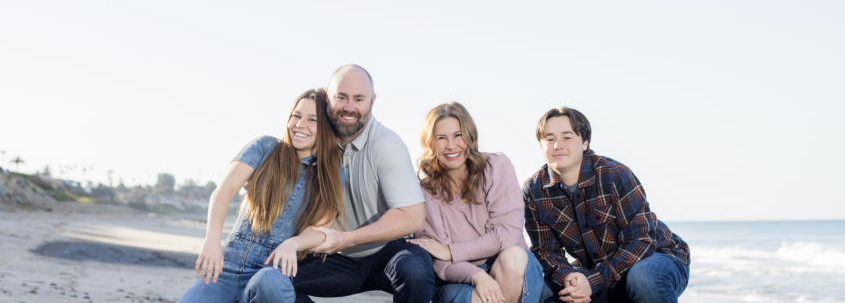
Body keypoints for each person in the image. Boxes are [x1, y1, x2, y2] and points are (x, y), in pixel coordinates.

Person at [180, 89, 344, 303]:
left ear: (326, 128)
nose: (300, 124)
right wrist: (212, 240)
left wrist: (293, 243)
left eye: (312, 119)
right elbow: (225, 190)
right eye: (296, 115)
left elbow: (322, 230)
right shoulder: (265, 147)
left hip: (273, 269)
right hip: (227, 266)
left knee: (271, 282)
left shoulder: (331, 173)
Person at [290, 65, 435, 303]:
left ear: (372, 101)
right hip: (332, 258)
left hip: (386, 254)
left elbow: (413, 217)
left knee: (416, 269)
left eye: (359, 99)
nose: (349, 107)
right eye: (341, 97)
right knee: (273, 279)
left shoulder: (388, 145)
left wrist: (347, 238)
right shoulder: (312, 137)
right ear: (328, 96)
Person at [524, 107, 690, 303]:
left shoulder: (614, 174)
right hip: (597, 269)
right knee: (542, 292)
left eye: (567, 137)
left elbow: (641, 240)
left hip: (655, 256)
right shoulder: (534, 190)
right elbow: (546, 252)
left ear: (585, 142)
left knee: (643, 278)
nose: (557, 145)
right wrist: (569, 278)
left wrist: (593, 281)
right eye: (549, 139)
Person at [408, 102, 543, 303]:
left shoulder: (496, 166)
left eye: (457, 135)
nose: (451, 145)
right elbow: (442, 265)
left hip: (511, 268)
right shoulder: (425, 194)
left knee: (513, 257)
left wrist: (451, 251)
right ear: (430, 143)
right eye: (441, 138)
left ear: (470, 137)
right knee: (480, 298)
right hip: (460, 278)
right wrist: (477, 275)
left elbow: (507, 235)